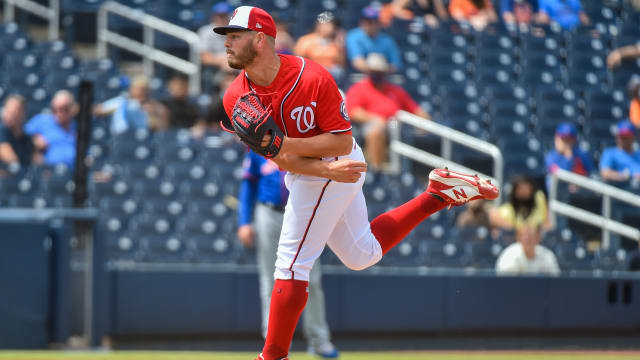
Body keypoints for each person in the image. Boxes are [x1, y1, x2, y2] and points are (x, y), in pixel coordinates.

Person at [213, 6, 499, 360]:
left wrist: (298, 152)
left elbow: (341, 142)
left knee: (290, 264)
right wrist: (310, 164)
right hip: (317, 172)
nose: (227, 43)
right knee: (362, 255)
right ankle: (436, 195)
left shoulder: (312, 76)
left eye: (234, 36)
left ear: (260, 39)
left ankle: (272, 356)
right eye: (226, 37)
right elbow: (280, 160)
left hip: (339, 161)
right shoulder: (236, 97)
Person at [237, 150, 339, 358]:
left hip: (303, 213)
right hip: (268, 212)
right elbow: (248, 185)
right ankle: (273, 343)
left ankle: (319, 340)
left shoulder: (305, 142)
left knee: (312, 280)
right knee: (270, 280)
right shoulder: (259, 147)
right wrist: (244, 222)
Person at [346, 53, 429, 170]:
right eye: (374, 71)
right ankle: (377, 172)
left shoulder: (396, 90)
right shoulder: (359, 88)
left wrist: (424, 120)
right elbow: (353, 111)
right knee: (375, 131)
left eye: (380, 72)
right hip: (370, 125)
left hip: (396, 127)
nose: (377, 75)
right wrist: (376, 119)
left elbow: (416, 110)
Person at [94, 75, 168, 135]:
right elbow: (98, 110)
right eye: (138, 89)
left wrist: (153, 114)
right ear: (131, 89)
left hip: (144, 138)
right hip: (120, 139)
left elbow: (162, 128)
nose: (141, 92)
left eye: (144, 89)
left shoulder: (155, 106)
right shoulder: (120, 101)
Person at [24, 90, 77, 168]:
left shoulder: (77, 127)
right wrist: (34, 140)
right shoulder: (42, 120)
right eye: (55, 109)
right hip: (47, 173)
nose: (58, 113)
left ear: (71, 109)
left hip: (73, 173)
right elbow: (20, 136)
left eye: (63, 109)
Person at [345, 4, 402, 73]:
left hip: (383, 77)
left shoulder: (387, 40)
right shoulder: (353, 36)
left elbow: (395, 65)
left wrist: (381, 69)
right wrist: (376, 69)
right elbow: (357, 62)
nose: (370, 25)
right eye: (367, 21)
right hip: (361, 77)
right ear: (361, 22)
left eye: (373, 21)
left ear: (378, 23)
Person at [293, 12, 345, 80]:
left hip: (331, 75)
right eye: (326, 24)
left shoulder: (336, 42)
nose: (329, 27)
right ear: (318, 25)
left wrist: (340, 46)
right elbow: (298, 61)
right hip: (311, 73)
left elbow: (341, 63)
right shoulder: (306, 40)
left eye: (331, 24)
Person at [544, 122, 594, 190]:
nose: (566, 143)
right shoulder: (551, 157)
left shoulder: (581, 155)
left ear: (574, 140)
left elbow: (592, 174)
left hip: (581, 194)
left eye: (569, 139)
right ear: (556, 138)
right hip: (559, 195)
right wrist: (569, 158)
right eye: (563, 139)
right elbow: (557, 179)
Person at [495, 224, 560, 275]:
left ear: (538, 237)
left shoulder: (547, 255)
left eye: (531, 235)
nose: (528, 238)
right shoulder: (509, 255)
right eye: (524, 235)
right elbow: (503, 283)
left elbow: (555, 280)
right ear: (518, 238)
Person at [0, 95, 39, 166]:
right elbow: (11, 161)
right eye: (8, 110)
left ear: (23, 113)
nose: (10, 114)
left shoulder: (27, 138)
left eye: (15, 111)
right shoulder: (1, 131)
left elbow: (38, 162)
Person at [197, 2, 233, 71]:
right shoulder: (206, 31)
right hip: (213, 69)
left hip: (233, 66)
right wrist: (224, 61)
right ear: (213, 16)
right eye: (218, 15)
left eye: (224, 16)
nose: (221, 18)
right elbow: (204, 58)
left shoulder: (236, 31)